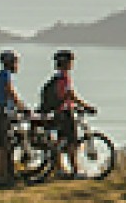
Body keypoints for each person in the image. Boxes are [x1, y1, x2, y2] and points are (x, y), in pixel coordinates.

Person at [40, 49, 97, 178]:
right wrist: (86, 106)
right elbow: (69, 95)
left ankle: (60, 169)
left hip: (57, 112)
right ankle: (75, 171)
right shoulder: (64, 77)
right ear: (66, 63)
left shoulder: (56, 78)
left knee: (60, 141)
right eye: (71, 61)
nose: (72, 64)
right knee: (72, 142)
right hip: (65, 112)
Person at [0, 49, 27, 186]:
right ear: (10, 63)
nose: (17, 66)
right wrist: (22, 107)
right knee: (0, 146)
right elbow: (10, 91)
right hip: (0, 114)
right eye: (16, 63)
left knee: (2, 144)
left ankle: (3, 175)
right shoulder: (5, 75)